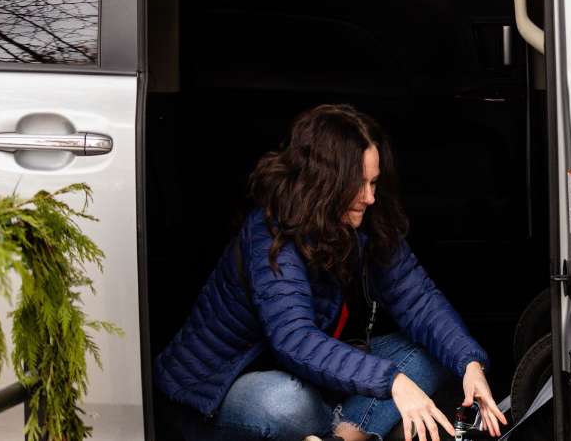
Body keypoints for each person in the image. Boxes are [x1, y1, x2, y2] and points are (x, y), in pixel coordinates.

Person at [154, 104, 507, 441]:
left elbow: (418, 299)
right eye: (360, 184)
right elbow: (295, 339)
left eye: (374, 183)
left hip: (308, 376)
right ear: (326, 182)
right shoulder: (269, 232)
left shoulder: (364, 218)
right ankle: (365, 425)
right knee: (284, 403)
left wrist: (470, 365)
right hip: (221, 390)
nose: (370, 197)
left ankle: (342, 435)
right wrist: (394, 383)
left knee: (429, 352)